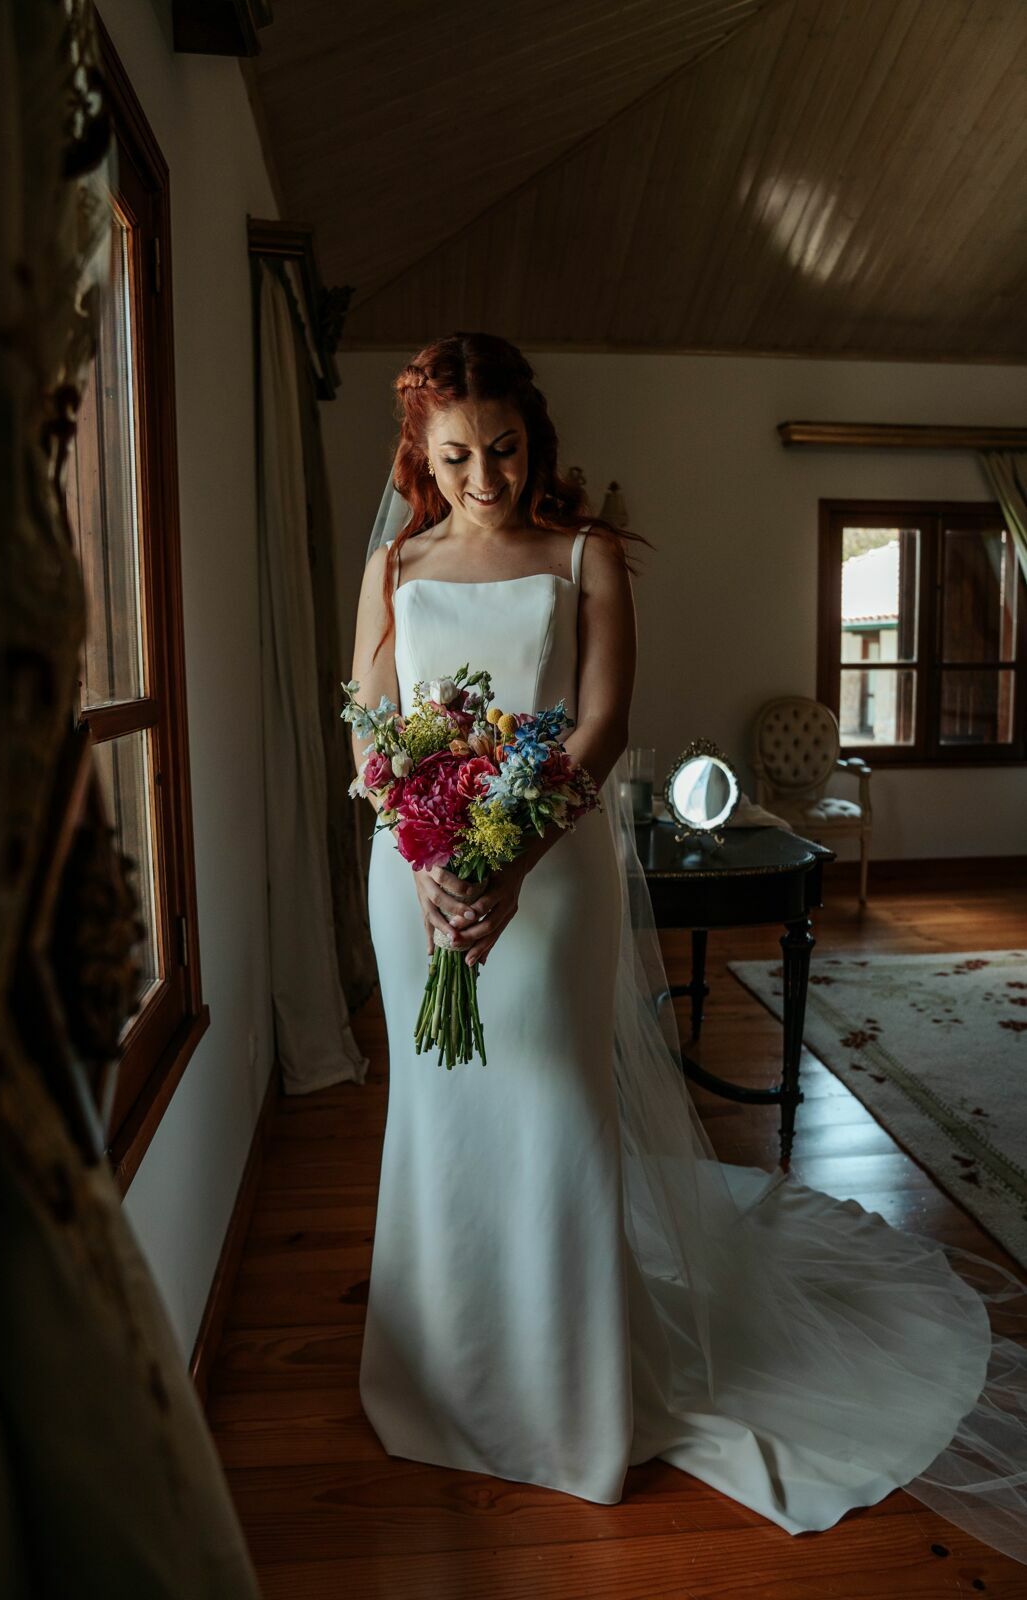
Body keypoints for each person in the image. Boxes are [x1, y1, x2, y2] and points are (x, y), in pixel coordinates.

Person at [346, 332, 1027, 1559]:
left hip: (547, 876)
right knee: (440, 1111)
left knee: (552, 1108)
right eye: (456, 456)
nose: (483, 478)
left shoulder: (585, 552)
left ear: (532, 437)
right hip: (417, 878)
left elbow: (598, 728)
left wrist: (503, 858)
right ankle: (441, 1374)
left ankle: (565, 1395)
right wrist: (429, 857)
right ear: (422, 451)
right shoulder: (396, 562)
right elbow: (368, 728)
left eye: (502, 449)